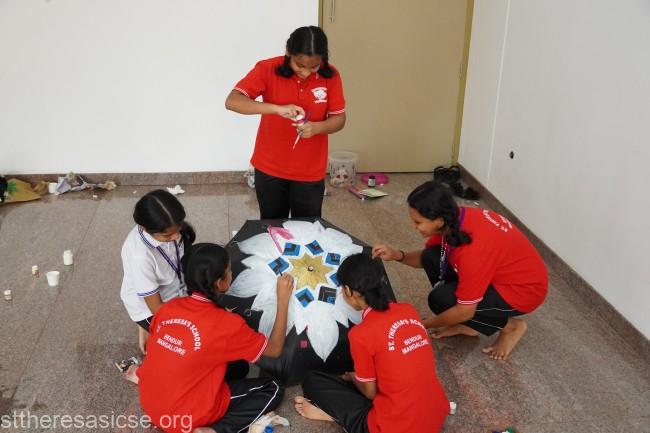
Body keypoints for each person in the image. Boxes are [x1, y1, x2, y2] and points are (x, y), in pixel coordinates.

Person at [124, 243, 293, 433]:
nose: (232, 273)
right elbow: (274, 350)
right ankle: (215, 430)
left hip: (150, 400)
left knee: (239, 366)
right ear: (220, 283)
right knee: (274, 388)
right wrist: (283, 299)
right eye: (229, 271)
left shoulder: (168, 308)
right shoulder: (227, 324)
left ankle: (141, 376)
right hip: (183, 417)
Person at [372, 181, 548, 361]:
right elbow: (428, 258)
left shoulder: (473, 252)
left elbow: (465, 310)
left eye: (418, 222)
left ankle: (510, 327)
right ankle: (473, 325)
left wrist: (421, 324)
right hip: (499, 273)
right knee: (432, 255)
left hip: (523, 291)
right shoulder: (456, 219)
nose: (414, 226)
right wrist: (397, 255)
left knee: (441, 300)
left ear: (439, 221)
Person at [294, 253, 449, 433]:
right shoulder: (409, 309)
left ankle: (334, 416)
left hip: (395, 427)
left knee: (312, 380)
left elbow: (370, 393)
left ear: (348, 291)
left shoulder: (360, 334)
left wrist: (353, 377)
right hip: (435, 414)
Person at [225, 25, 346, 219]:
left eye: (314, 67)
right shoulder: (267, 69)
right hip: (270, 167)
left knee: (307, 228)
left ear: (323, 59)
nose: (306, 73)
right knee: (272, 226)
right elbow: (232, 101)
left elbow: (339, 119)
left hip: (310, 171)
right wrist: (276, 108)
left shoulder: (331, 75)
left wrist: (317, 128)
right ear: (288, 52)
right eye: (299, 65)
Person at [120, 189, 195, 353]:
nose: (176, 237)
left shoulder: (168, 228)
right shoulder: (140, 255)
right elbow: (157, 309)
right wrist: (195, 318)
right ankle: (146, 325)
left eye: (178, 229)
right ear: (144, 227)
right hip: (153, 307)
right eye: (167, 235)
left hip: (177, 290)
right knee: (190, 344)